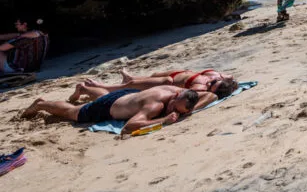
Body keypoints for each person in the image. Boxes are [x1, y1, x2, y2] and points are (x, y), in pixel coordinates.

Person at [22, 85, 201, 134]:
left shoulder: (174, 90)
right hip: (109, 107)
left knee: (103, 96)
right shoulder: (157, 105)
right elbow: (130, 126)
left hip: (128, 95)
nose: (172, 109)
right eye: (173, 106)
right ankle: (41, 104)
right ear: (176, 97)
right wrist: (163, 120)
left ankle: (84, 88)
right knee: (75, 113)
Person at [70, 68, 237, 103]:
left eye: (211, 86)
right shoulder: (217, 75)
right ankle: (130, 77)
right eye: (214, 82)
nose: (210, 83)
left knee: (134, 85)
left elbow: (183, 96)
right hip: (177, 73)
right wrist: (231, 84)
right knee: (147, 77)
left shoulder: (201, 89)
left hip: (169, 82)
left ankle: (102, 86)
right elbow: (232, 79)